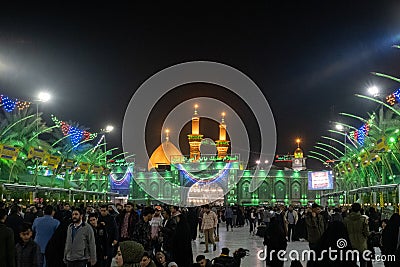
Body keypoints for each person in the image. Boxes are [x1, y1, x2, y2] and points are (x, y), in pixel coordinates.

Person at [343, 203, 370, 267]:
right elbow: (367, 233)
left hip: (350, 245)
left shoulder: (346, 220)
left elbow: (344, 232)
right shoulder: (363, 220)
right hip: (362, 245)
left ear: (351, 209)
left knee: (352, 263)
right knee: (363, 263)